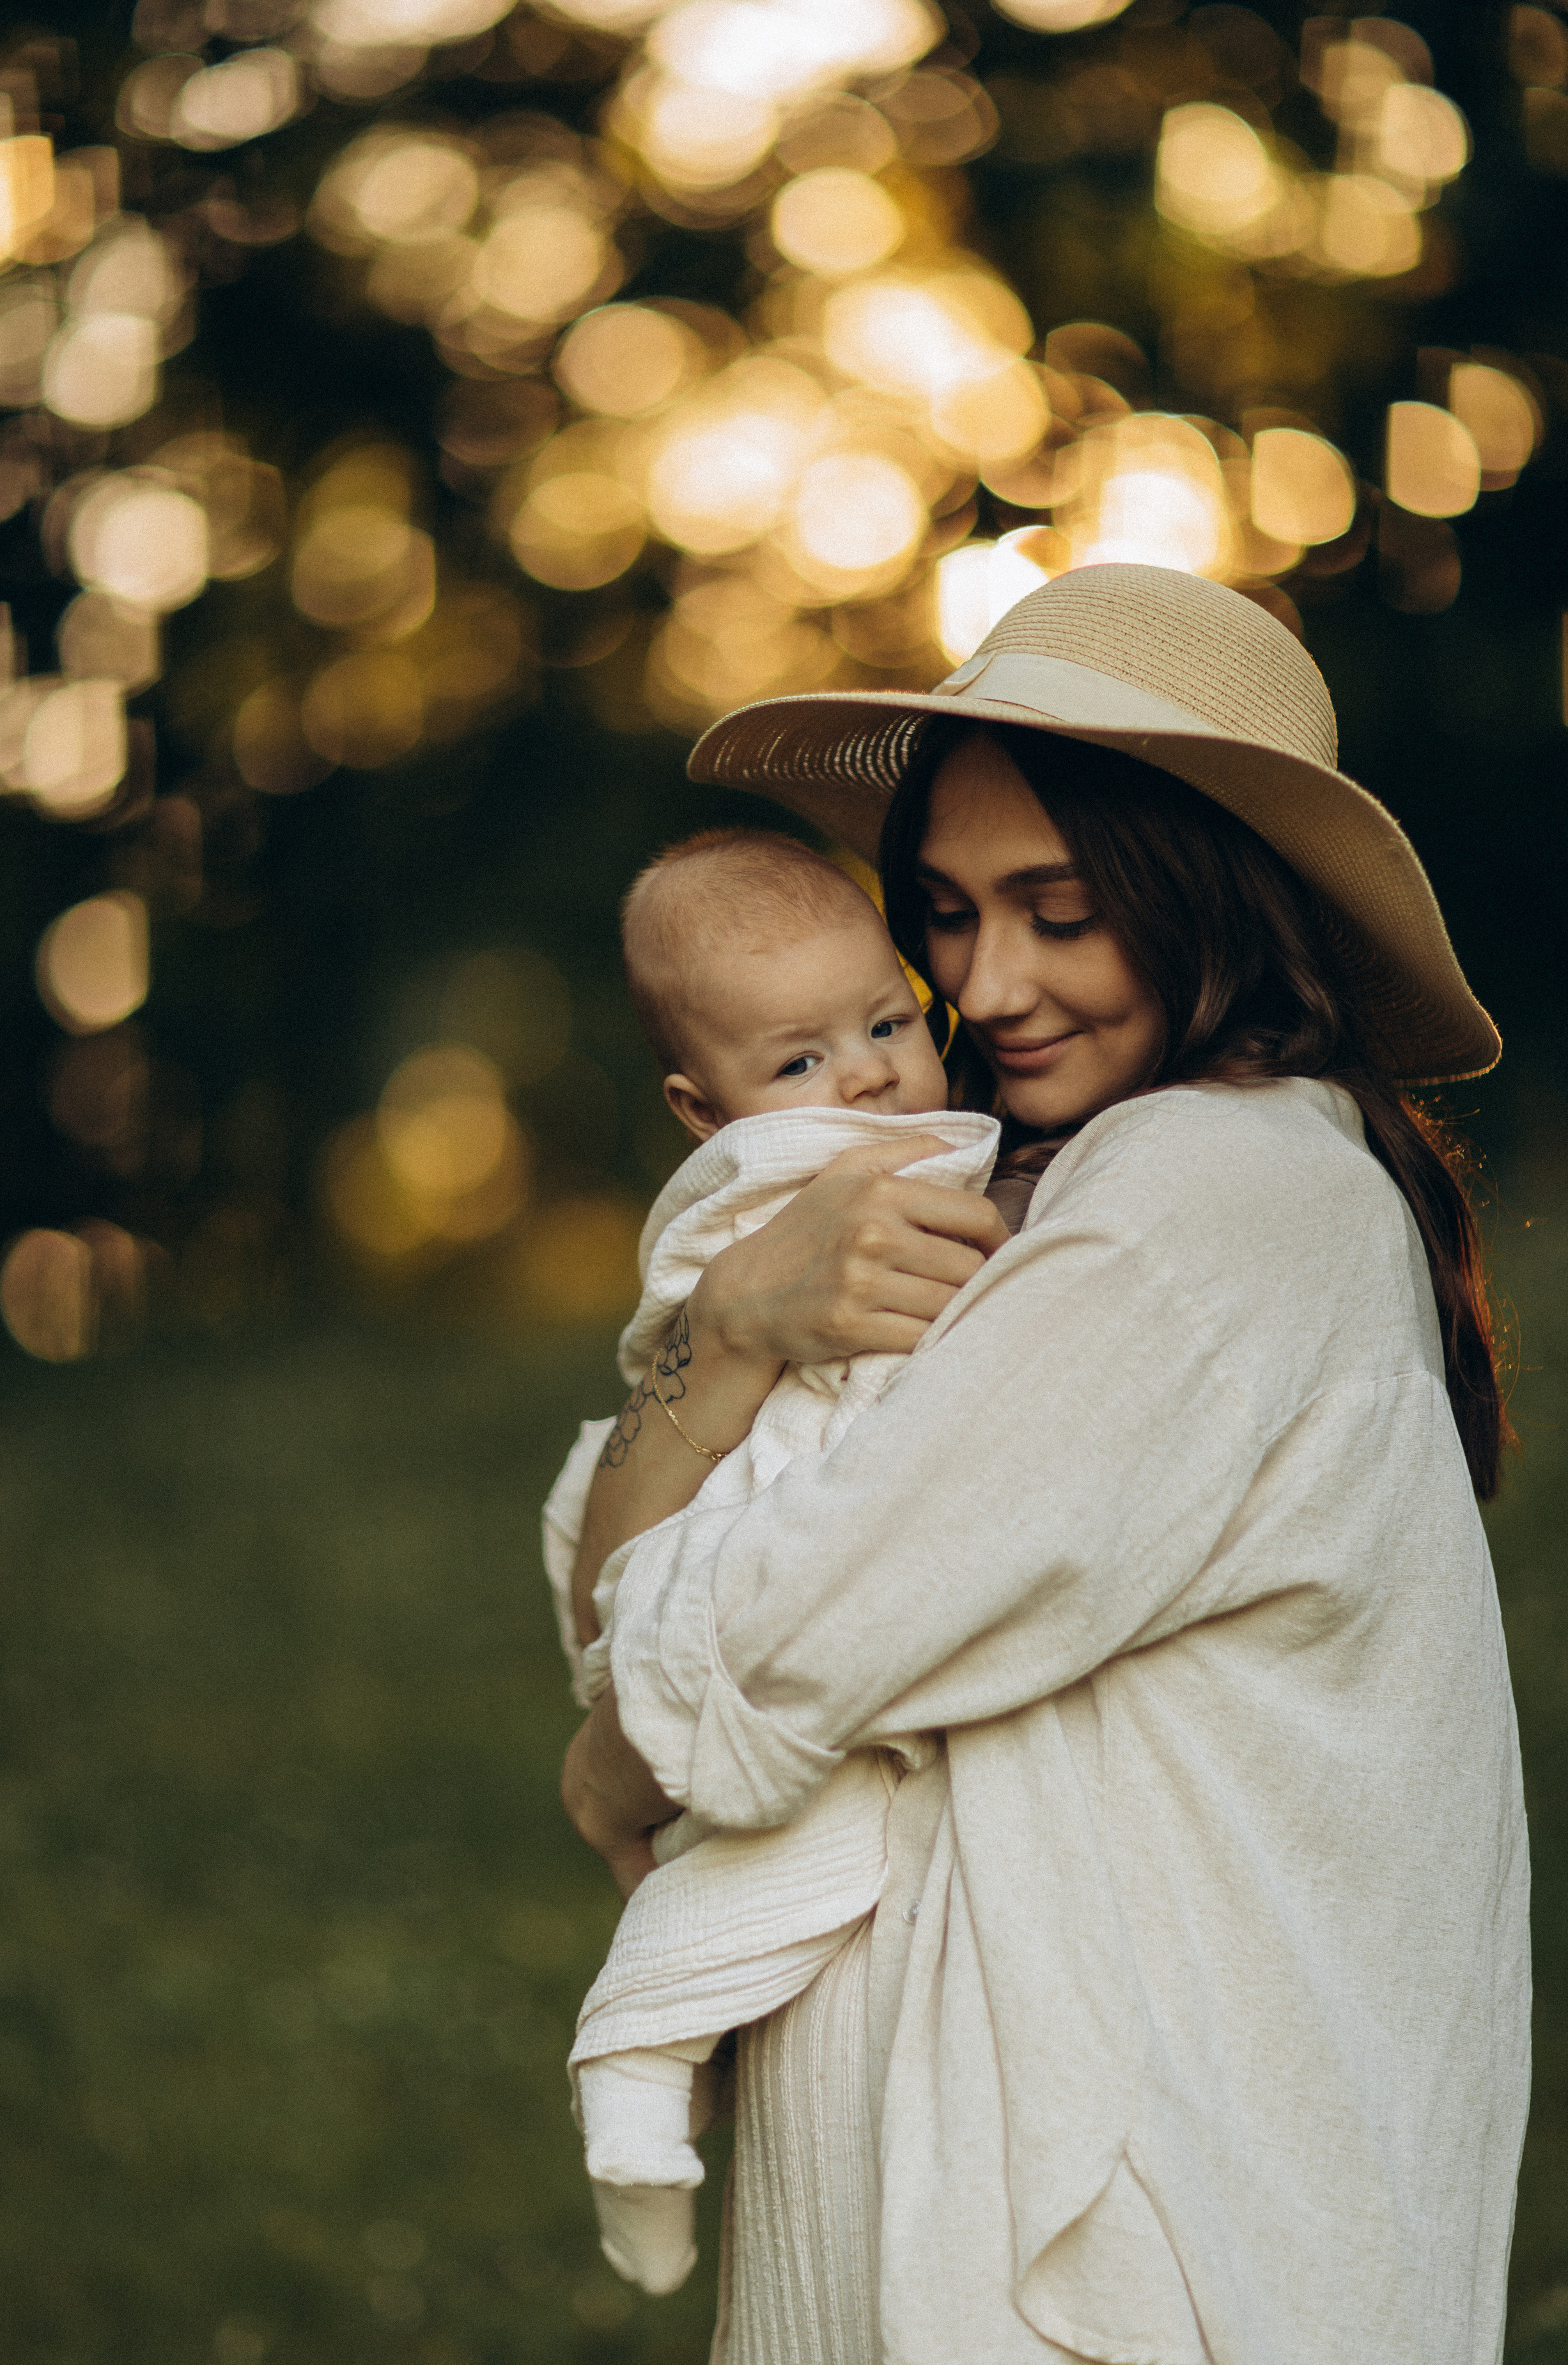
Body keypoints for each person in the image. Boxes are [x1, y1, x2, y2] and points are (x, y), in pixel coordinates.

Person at [559, 564, 1530, 2365]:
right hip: (1017, 2216)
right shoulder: (1020, 1201)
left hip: (1117, 2248)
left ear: (1210, 899)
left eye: (1060, 913)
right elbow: (643, 1587)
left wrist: (608, 1755)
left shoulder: (1212, 1200)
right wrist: (740, 1337)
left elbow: (757, 1646)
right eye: (942, 914)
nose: (982, 987)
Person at [542, 827, 1000, 2297]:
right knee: (775, 1825)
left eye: (883, 1025)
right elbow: (682, 1350)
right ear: (701, 1107)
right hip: (765, 1533)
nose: (863, 1083)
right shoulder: (763, 1196)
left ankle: (641, 2064)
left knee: (769, 1827)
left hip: (819, 1595)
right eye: (797, 1065)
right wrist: (740, 1325)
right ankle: (639, 2064)